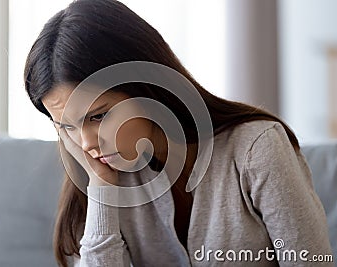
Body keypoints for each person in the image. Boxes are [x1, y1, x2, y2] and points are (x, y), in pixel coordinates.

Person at [24, 0, 333, 266]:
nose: (87, 143)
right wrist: (103, 190)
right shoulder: (99, 174)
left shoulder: (257, 148)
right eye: (66, 125)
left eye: (99, 115)